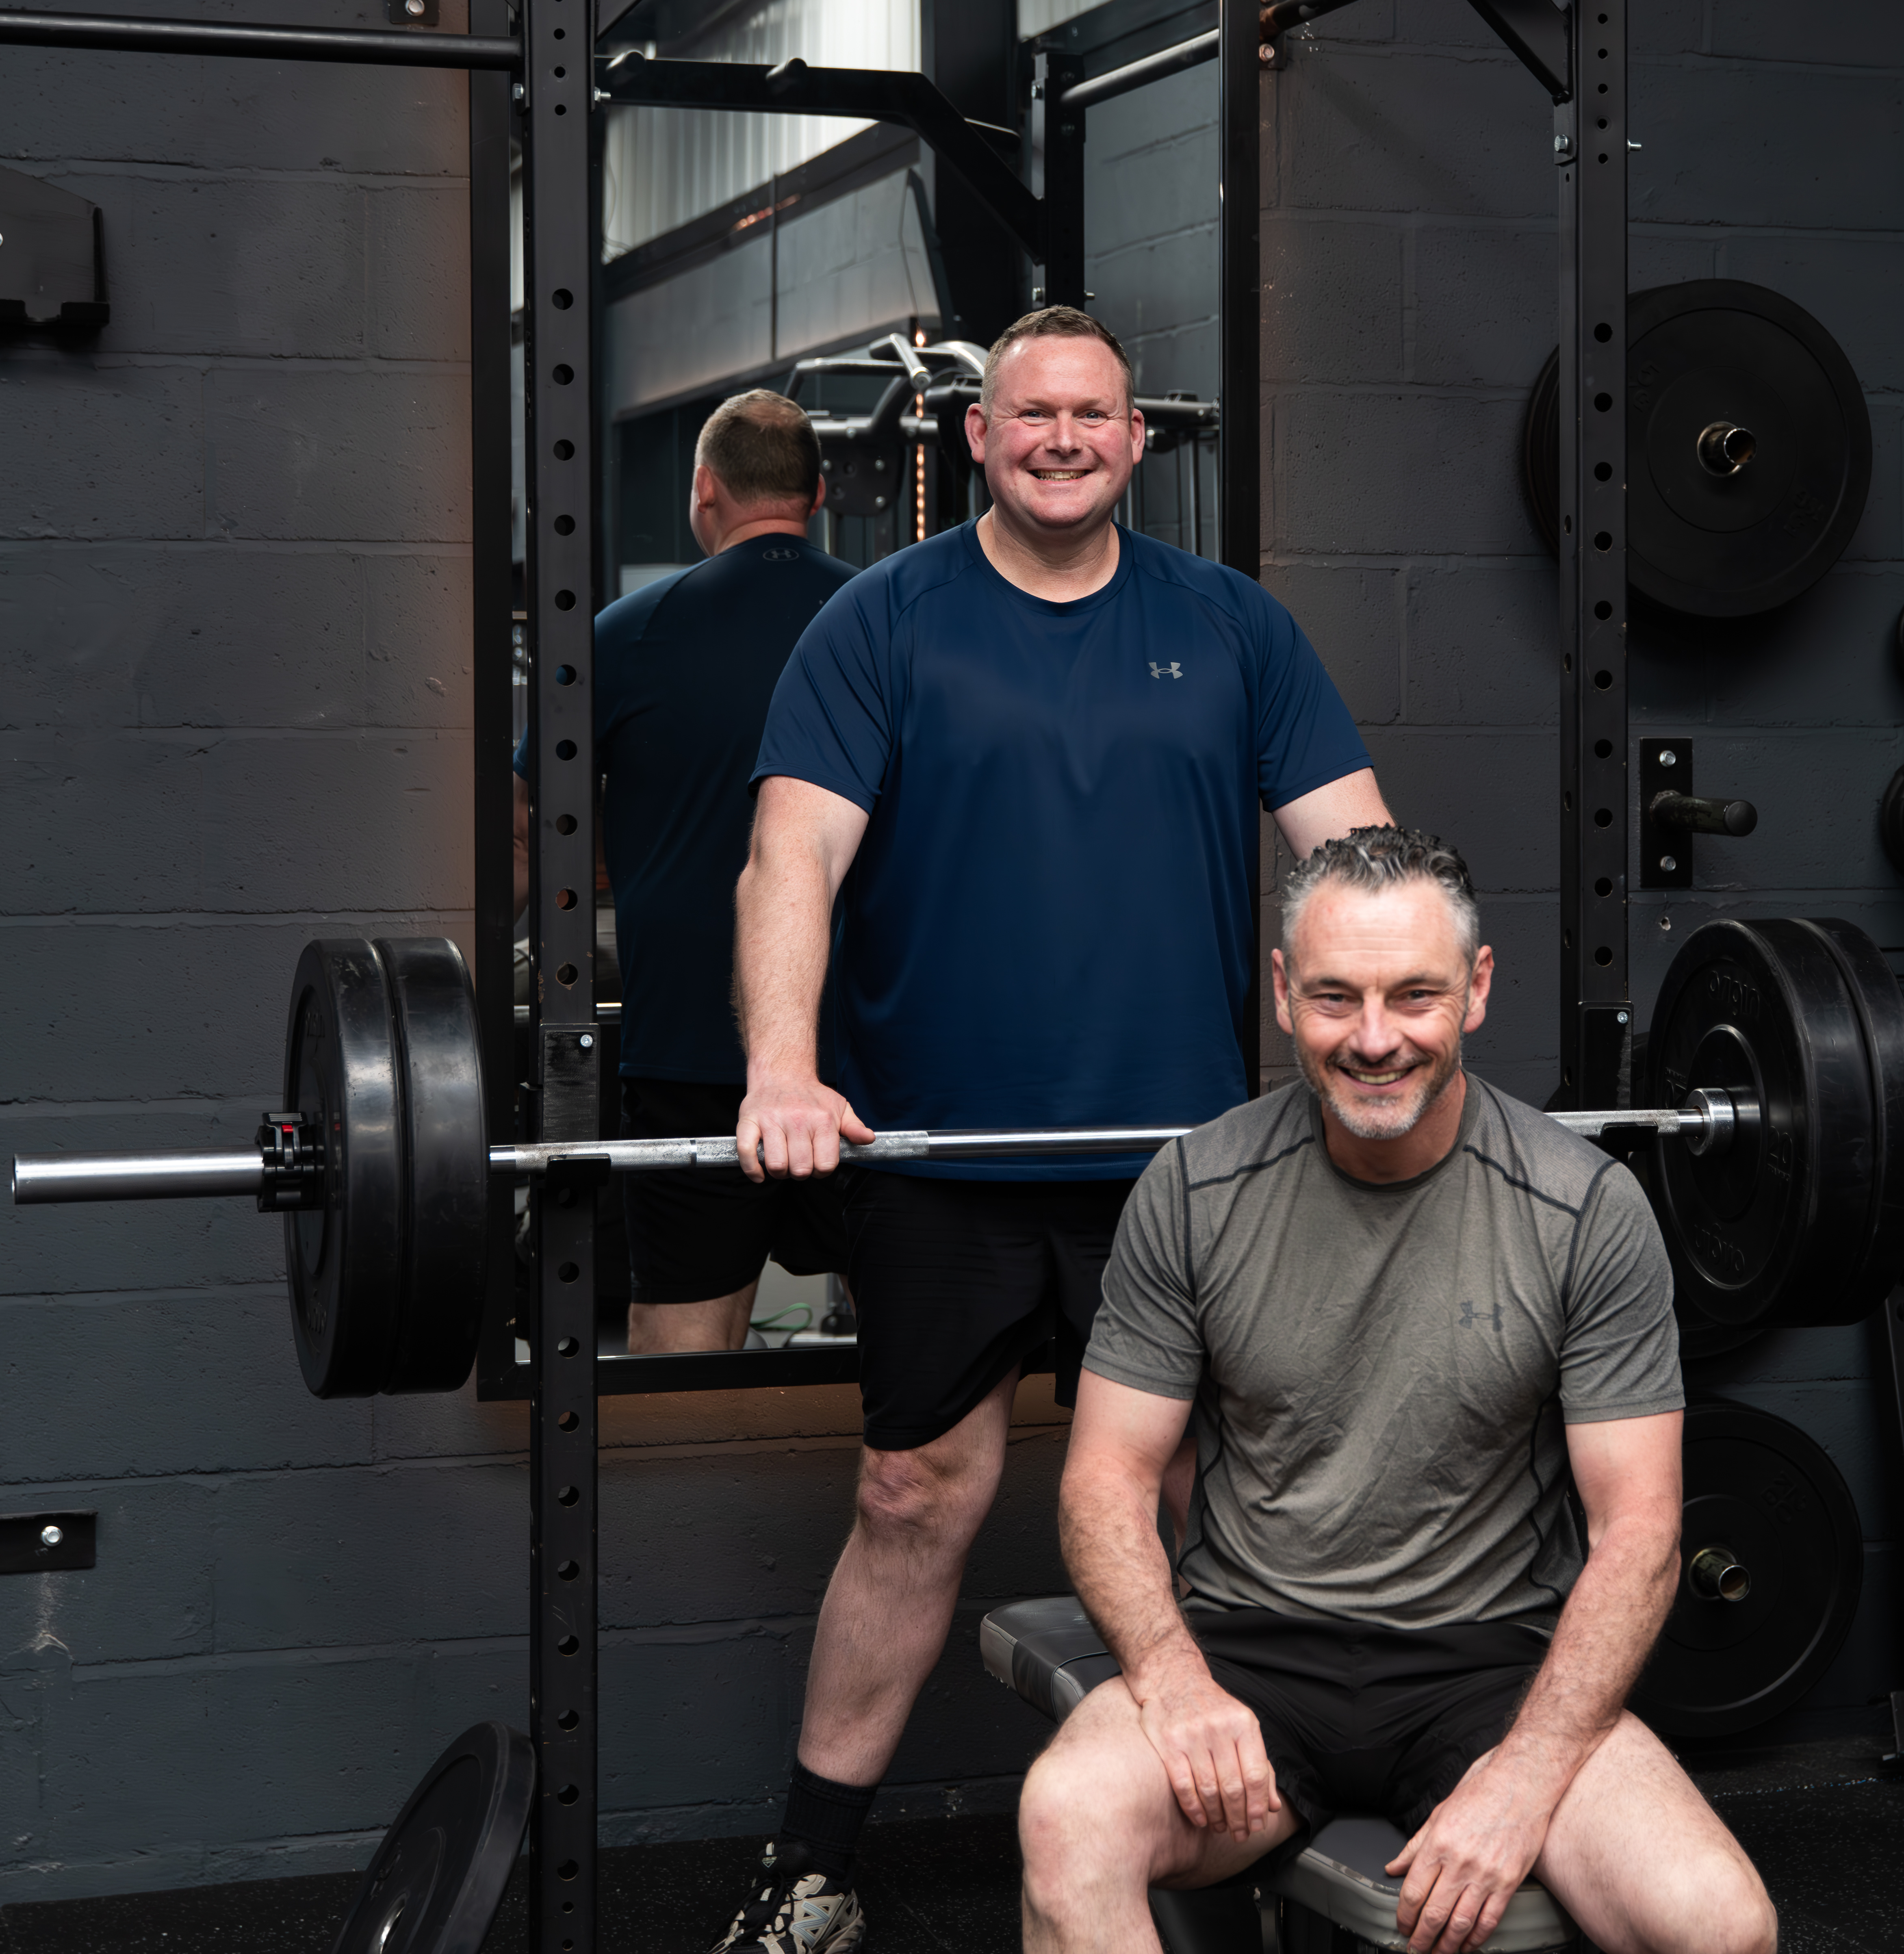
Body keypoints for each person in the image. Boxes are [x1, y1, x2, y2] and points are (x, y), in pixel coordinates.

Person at [706, 306, 1395, 1954]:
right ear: (979, 440)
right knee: (912, 1488)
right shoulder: (882, 623)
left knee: (1193, 1508)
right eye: (1033, 417)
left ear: (1136, 438)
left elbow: (1359, 856)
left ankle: (1208, 1846)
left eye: (1092, 414)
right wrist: (783, 1070)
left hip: (1178, 1174)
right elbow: (784, 860)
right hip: (940, 1162)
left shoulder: (1234, 629)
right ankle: (809, 1868)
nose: (1065, 439)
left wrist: (1396, 1027)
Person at [1017, 828, 1779, 1954]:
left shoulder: (1582, 1211)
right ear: (1282, 992)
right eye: (1334, 997)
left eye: (1411, 994)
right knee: (1067, 1818)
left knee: (1720, 1927)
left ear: (1473, 989)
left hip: (1491, 1669)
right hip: (1249, 1653)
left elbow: (1640, 1533)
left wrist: (1524, 1772)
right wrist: (1173, 1682)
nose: (1373, 1039)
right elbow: (1103, 1483)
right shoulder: (1195, 1189)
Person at [513, 388, 855, 1354]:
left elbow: (529, 827)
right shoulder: (893, 618)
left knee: (683, 1357)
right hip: (872, 1056)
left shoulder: (623, 633)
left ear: (704, 488)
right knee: (928, 1348)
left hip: (692, 1055)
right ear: (818, 492)